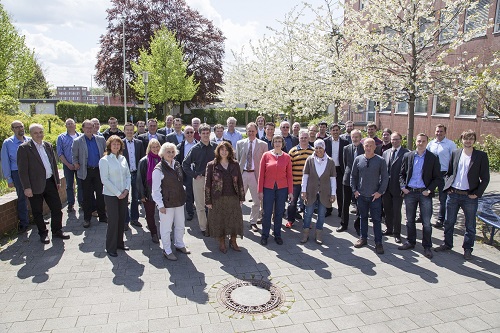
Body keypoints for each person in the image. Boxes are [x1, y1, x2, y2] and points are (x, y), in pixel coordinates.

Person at [435, 130, 490, 260]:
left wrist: (477, 193)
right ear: (462, 140)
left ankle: (467, 249)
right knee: (448, 222)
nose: (468, 141)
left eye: (471, 138)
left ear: (474, 141)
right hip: (453, 194)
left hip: (469, 197)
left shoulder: (480, 156)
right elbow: (449, 173)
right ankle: (447, 244)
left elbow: (485, 178)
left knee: (470, 225)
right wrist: (448, 187)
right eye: (466, 138)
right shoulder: (456, 153)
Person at [17, 123, 70, 244]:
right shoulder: (24, 148)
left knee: (57, 208)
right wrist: (27, 187)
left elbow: (53, 166)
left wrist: (56, 181)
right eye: (36, 133)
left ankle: (57, 231)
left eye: (40, 132)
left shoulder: (48, 145)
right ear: (30, 134)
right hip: (34, 185)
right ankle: (43, 233)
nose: (39, 135)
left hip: (50, 182)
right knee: (37, 211)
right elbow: (22, 171)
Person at [399, 133, 441, 259]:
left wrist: (429, 190)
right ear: (415, 142)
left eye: (423, 141)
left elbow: (438, 178)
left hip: (424, 193)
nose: (421, 143)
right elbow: (401, 174)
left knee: (427, 222)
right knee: (410, 220)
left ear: (427, 142)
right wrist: (403, 187)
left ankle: (427, 246)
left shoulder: (433, 158)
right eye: (419, 141)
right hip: (410, 192)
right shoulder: (408, 156)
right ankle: (411, 242)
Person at [152, 142, 190, 261]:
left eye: (173, 151)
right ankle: (167, 250)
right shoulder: (158, 169)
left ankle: (179, 244)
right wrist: (160, 205)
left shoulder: (177, 164)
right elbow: (155, 190)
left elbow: (179, 182)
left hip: (179, 201)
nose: (171, 154)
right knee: (166, 228)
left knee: (180, 225)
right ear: (162, 153)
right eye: (168, 151)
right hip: (166, 204)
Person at [206, 142, 246, 253]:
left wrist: (242, 197)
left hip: (233, 196)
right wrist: (208, 200)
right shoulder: (211, 165)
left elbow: (240, 182)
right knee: (220, 220)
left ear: (230, 151)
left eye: (226, 150)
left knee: (234, 220)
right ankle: (222, 242)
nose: (224, 152)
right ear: (218, 151)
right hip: (217, 197)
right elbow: (207, 184)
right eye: (221, 149)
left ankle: (233, 241)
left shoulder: (235, 164)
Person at [351, 138, 389, 254]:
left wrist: (380, 192)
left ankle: (378, 243)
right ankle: (363, 238)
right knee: (363, 218)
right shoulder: (358, 159)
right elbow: (353, 176)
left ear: (375, 147)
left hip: (375, 197)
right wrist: (355, 190)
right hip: (361, 195)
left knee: (377, 220)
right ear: (363, 147)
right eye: (366, 146)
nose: (368, 148)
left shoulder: (380, 160)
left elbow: (385, 178)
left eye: (370, 146)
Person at [182, 124, 217, 236]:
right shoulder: (195, 149)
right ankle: (203, 228)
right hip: (200, 179)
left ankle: (213, 225)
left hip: (214, 180)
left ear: (210, 133)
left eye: (207, 133)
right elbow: (185, 164)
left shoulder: (216, 147)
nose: (205, 135)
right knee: (201, 205)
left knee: (214, 204)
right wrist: (194, 175)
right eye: (203, 133)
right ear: (200, 134)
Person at [258, 135, 293, 246]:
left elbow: (289, 176)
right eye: (275, 141)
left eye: (279, 141)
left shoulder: (287, 157)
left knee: (279, 212)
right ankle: (265, 235)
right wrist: (260, 190)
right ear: (272, 143)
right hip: (268, 188)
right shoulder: (266, 155)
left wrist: (290, 192)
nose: (277, 143)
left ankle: (277, 235)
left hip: (282, 188)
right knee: (267, 213)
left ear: (282, 144)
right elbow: (261, 174)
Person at [99, 135, 130, 257]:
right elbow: (104, 180)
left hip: (124, 194)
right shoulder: (104, 160)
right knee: (113, 220)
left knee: (121, 219)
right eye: (114, 144)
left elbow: (128, 175)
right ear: (109, 146)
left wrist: (126, 190)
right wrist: (118, 193)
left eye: (118, 144)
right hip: (111, 195)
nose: (116, 146)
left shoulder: (122, 158)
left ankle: (119, 243)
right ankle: (110, 247)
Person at [300, 139, 336, 244]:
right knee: (308, 213)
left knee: (321, 214)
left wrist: (333, 193)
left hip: (325, 192)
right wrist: (303, 190)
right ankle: (305, 233)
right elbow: (305, 176)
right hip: (311, 191)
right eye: (316, 148)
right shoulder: (309, 160)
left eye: (320, 148)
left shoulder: (330, 161)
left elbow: (333, 179)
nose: (318, 150)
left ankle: (319, 233)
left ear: (324, 148)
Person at [72, 119, 107, 228]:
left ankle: (102, 216)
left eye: (91, 127)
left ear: (94, 128)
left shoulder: (100, 139)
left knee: (101, 194)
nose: (89, 129)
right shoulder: (78, 141)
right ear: (83, 128)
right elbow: (74, 155)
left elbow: (105, 152)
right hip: (85, 171)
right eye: (86, 127)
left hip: (98, 171)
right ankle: (87, 219)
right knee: (87, 196)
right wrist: (76, 163)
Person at [236, 122, 267, 232]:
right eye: (249, 131)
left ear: (256, 131)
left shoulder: (263, 145)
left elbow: (265, 163)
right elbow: (237, 160)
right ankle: (237, 220)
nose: (251, 133)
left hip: (255, 175)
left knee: (256, 201)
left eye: (253, 131)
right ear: (246, 131)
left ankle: (253, 221)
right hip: (243, 174)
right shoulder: (240, 143)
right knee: (239, 199)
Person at [1, 121, 31, 233]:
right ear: (13, 129)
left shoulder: (29, 140)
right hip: (17, 173)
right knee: (22, 197)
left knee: (36, 195)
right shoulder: (7, 143)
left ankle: (37, 218)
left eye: (21, 126)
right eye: (17, 127)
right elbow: (5, 161)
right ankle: (24, 222)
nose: (20, 129)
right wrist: (9, 178)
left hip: (31, 172)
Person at [426, 124, 457, 228]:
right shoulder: (431, 144)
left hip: (444, 174)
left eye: (441, 131)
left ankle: (440, 219)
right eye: (437, 131)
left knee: (443, 198)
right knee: (427, 195)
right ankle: (423, 216)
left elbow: (454, 161)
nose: (439, 133)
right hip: (432, 174)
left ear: (445, 132)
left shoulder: (450, 144)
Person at [381, 132, 409, 243]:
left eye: (397, 139)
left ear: (401, 140)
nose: (394, 141)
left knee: (397, 211)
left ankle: (397, 233)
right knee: (387, 209)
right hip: (386, 187)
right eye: (393, 139)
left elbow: (407, 172)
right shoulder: (386, 153)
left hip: (398, 187)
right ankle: (389, 229)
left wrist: (404, 186)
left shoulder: (406, 153)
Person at [286, 130, 314, 228]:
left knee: (308, 203)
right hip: (295, 182)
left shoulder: (313, 151)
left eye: (305, 138)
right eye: (302, 138)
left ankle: (307, 222)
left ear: (309, 138)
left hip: (309, 184)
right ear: (299, 138)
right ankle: (290, 220)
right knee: (292, 203)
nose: (303, 139)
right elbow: (288, 168)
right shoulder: (293, 151)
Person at [338, 129, 363, 234]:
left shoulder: (364, 148)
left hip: (361, 180)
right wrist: (347, 174)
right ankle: (344, 224)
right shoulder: (346, 148)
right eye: (353, 137)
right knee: (345, 203)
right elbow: (344, 163)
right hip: (347, 179)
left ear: (360, 138)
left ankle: (358, 225)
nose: (355, 139)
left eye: (357, 137)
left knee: (360, 204)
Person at [137, 139, 162, 244]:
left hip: (162, 192)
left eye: (157, 147)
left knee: (164, 214)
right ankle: (154, 233)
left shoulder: (164, 159)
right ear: (149, 148)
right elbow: (139, 179)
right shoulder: (144, 161)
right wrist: (142, 195)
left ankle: (164, 233)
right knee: (150, 214)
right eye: (153, 147)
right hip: (149, 192)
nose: (155, 149)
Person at [122, 122, 145, 229]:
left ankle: (134, 219)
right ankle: (125, 221)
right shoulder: (120, 144)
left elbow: (142, 159)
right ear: (124, 131)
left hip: (136, 173)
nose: (130, 132)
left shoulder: (139, 143)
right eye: (127, 130)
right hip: (124, 175)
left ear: (134, 131)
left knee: (135, 197)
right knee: (125, 198)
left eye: (131, 130)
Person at [57, 118, 82, 213]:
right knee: (69, 185)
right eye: (68, 124)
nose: (70, 125)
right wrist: (68, 164)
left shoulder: (81, 136)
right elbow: (60, 153)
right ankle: (70, 203)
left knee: (81, 185)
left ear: (75, 125)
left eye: (72, 123)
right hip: (68, 166)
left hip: (79, 166)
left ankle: (81, 202)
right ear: (65, 126)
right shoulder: (61, 137)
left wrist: (78, 163)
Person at [324, 123, 349, 218]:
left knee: (339, 191)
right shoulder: (326, 141)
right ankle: (328, 209)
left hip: (340, 169)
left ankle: (340, 211)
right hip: (328, 169)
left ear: (339, 131)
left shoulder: (345, 142)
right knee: (328, 190)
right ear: (330, 131)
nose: (335, 132)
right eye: (333, 130)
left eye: (337, 130)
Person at [176, 125, 197, 221]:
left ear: (194, 133)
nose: (189, 134)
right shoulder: (180, 147)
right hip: (186, 173)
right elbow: (177, 161)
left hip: (197, 173)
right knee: (188, 193)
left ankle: (200, 209)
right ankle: (190, 212)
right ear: (184, 134)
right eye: (187, 132)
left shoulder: (198, 144)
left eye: (191, 132)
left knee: (197, 193)